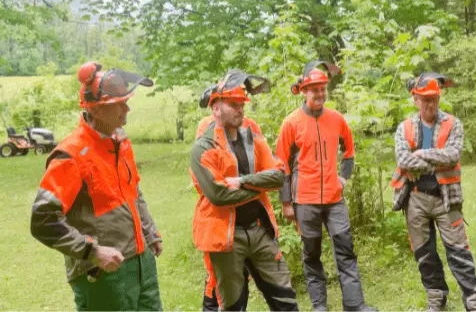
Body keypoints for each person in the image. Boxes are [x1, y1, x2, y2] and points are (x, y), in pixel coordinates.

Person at [30, 62, 163, 310]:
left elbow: (133, 191)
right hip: (102, 272)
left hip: (141, 262)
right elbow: (42, 220)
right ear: (97, 110)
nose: (127, 109)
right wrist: (93, 251)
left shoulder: (120, 141)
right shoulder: (70, 156)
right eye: (119, 104)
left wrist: (150, 231)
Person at [190, 69, 298, 311]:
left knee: (286, 299)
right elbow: (218, 195)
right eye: (233, 104)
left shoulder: (252, 132)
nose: (240, 109)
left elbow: (279, 175)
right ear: (215, 108)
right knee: (231, 303)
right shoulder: (203, 145)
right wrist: (260, 186)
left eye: (242, 103)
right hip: (224, 235)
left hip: (260, 229)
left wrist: (241, 181)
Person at [276, 61, 376, 312]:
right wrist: (286, 202)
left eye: (322, 89)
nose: (319, 94)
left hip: (334, 199)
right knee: (311, 255)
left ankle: (355, 305)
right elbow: (282, 165)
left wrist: (343, 178)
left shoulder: (336, 119)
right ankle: (319, 307)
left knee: (346, 250)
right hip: (305, 200)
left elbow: (349, 152)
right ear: (303, 90)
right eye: (314, 89)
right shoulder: (291, 123)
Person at [390, 72, 476, 311]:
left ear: (438, 97)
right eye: (424, 98)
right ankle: (436, 297)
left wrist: (421, 154)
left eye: (433, 98)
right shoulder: (404, 128)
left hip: (446, 198)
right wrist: (435, 160)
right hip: (415, 199)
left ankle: (474, 303)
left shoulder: (453, 124)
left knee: (459, 252)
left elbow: (453, 155)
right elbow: (403, 161)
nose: (429, 103)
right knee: (424, 253)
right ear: (415, 99)